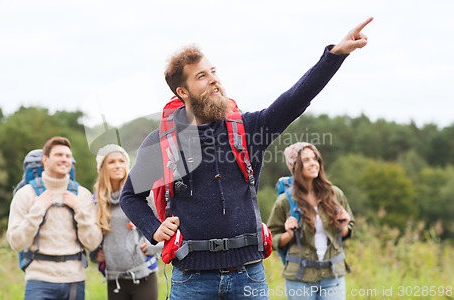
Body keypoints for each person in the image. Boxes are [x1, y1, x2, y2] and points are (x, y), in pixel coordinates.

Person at [120, 17, 372, 299]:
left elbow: (295, 100)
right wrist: (154, 229)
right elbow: (129, 197)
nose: (214, 78)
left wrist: (335, 56)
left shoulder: (248, 129)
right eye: (201, 76)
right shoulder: (162, 143)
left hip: (248, 276)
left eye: (213, 71)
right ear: (183, 91)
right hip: (191, 280)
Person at [7, 136, 103, 300]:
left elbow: (93, 242)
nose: (64, 159)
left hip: (74, 280)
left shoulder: (82, 195)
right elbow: (16, 242)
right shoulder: (26, 194)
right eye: (59, 155)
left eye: (67, 156)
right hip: (39, 280)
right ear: (45, 159)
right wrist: (38, 209)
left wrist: (79, 208)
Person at [267, 142, 355, 300]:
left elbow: (347, 231)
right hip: (299, 278)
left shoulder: (335, 194)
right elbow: (270, 238)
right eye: (306, 160)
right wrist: (288, 234)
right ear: (295, 166)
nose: (313, 163)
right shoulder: (285, 201)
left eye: (315, 158)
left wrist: (344, 226)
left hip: (333, 276)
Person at [90, 144, 162, 300]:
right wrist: (95, 253)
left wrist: (153, 245)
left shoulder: (139, 194)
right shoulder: (96, 201)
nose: (118, 166)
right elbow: (91, 235)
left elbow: (161, 222)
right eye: (112, 162)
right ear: (102, 168)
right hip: (114, 279)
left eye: (122, 161)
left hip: (144, 274)